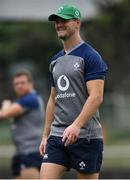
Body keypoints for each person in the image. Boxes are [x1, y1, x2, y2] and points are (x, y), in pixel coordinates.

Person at [39, 4, 108, 179]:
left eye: (64, 20)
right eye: (56, 21)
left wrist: (76, 125)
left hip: (86, 137)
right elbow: (53, 100)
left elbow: (96, 97)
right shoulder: (55, 60)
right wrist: (45, 136)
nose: (59, 24)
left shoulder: (91, 56)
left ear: (77, 23)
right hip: (57, 137)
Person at [0, 70, 44, 179]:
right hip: (21, 151)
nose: (19, 86)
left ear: (31, 83)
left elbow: (4, 114)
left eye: (22, 83)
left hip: (30, 151)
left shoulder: (30, 99)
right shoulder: (22, 100)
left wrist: (6, 104)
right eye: (16, 84)